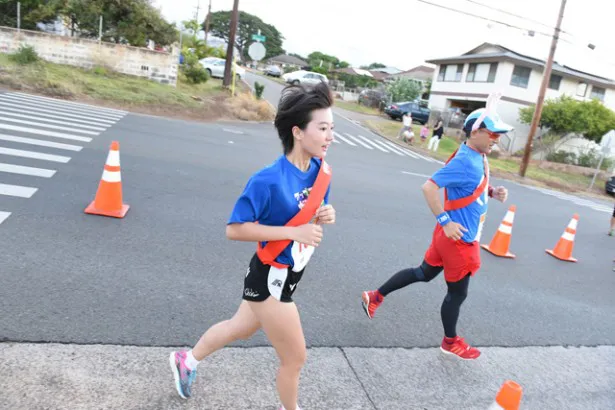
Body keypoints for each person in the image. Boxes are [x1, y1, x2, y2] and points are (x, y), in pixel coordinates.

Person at [169, 81, 336, 410]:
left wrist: (324, 215)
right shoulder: (268, 179)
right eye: (323, 128)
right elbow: (235, 229)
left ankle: (186, 360)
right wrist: (293, 234)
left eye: (332, 128)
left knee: (240, 328)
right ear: (298, 132)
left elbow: (309, 220)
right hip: (270, 277)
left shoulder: (321, 171)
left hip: (290, 273)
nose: (331, 136)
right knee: (295, 358)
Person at [361, 96, 512, 360]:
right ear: (475, 132)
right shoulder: (466, 160)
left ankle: (375, 295)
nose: (496, 139)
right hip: (459, 240)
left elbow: (466, 186)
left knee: (423, 273)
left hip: (448, 238)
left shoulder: (476, 156)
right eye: (493, 134)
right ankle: (450, 342)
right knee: (457, 293)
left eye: (499, 135)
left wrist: (490, 192)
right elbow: (429, 187)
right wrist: (445, 220)